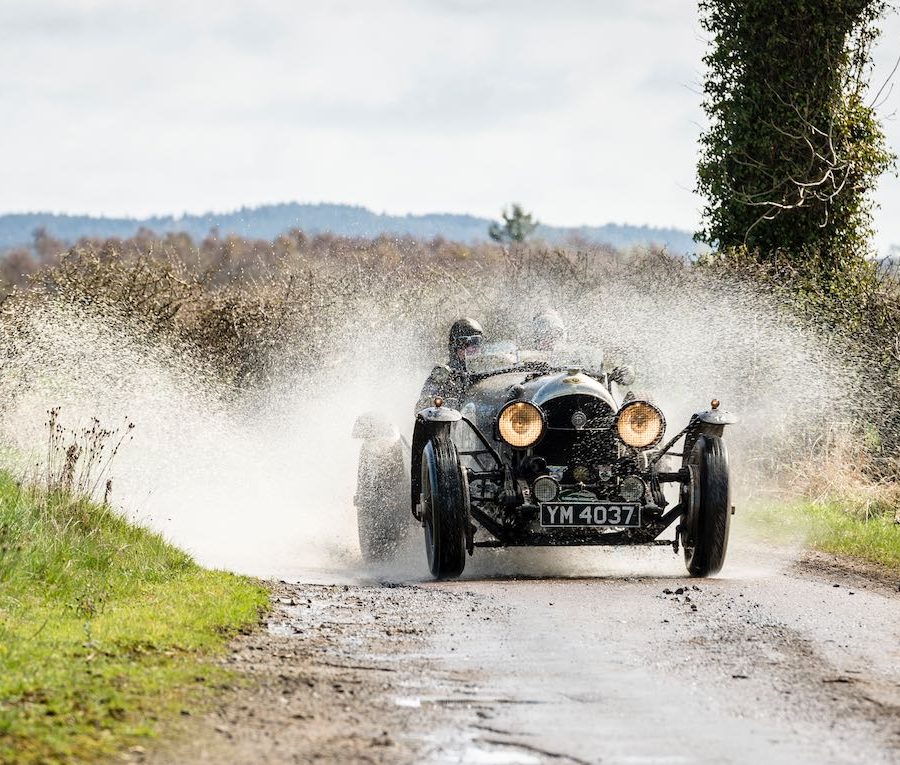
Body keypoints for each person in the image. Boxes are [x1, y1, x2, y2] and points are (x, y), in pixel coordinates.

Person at [416, 317, 483, 410]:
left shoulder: (490, 370)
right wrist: (441, 403)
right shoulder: (442, 375)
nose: (471, 348)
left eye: (476, 342)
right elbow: (421, 409)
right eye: (463, 343)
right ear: (454, 347)